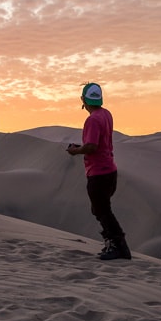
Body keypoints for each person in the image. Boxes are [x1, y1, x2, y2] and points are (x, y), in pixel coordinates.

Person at [66, 82, 131, 260]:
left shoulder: (93, 119)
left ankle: (118, 245)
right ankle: (113, 244)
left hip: (99, 172)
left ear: (83, 100)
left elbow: (93, 146)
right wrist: (83, 147)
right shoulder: (106, 114)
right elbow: (97, 144)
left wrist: (76, 151)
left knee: (102, 210)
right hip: (109, 170)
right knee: (100, 209)